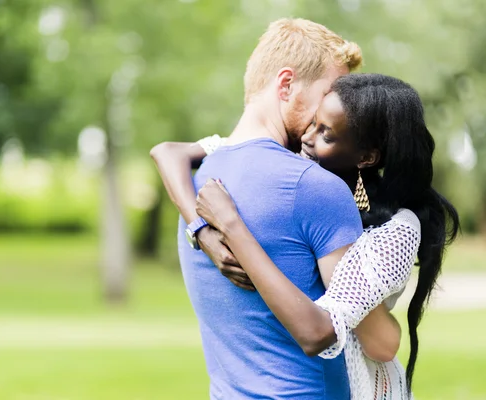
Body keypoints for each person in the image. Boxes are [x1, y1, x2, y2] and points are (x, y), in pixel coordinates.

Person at [152, 74, 460, 399]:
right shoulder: (294, 162)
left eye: (325, 132)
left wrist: (231, 226)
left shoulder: (396, 228)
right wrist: (200, 231)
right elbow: (167, 152)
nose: (306, 138)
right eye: (312, 123)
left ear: (366, 157)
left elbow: (374, 343)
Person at [151, 18, 366, 399]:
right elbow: (372, 336)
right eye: (331, 93)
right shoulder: (317, 187)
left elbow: (168, 151)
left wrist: (200, 228)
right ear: (286, 85)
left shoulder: (196, 178)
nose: (340, 111)